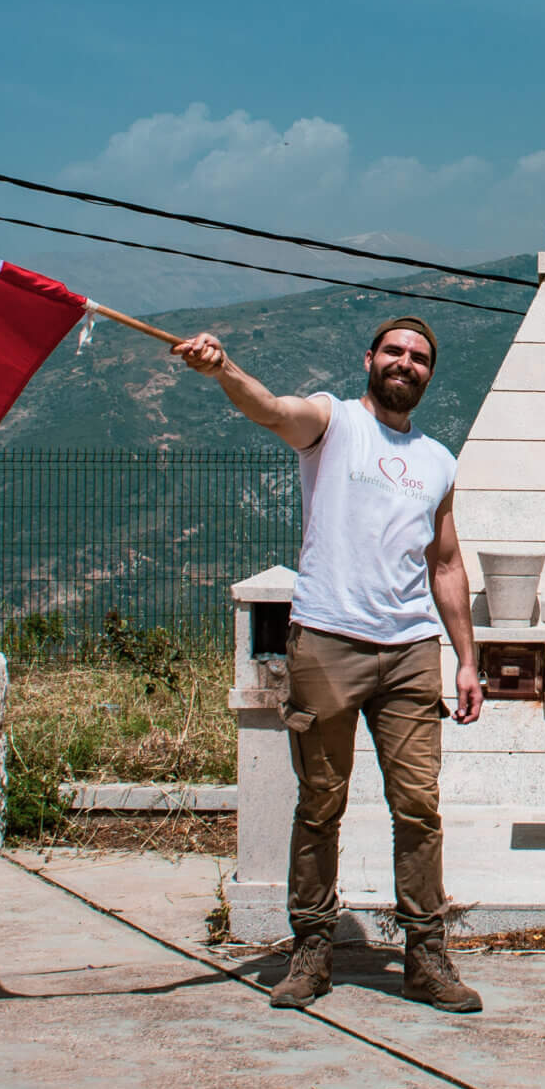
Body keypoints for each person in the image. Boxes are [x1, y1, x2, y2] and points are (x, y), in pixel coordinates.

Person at [172, 315, 486, 1013]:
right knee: (320, 804)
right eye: (396, 351)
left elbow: (446, 562)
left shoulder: (439, 460)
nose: (407, 363)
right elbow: (272, 408)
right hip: (327, 642)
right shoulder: (332, 421)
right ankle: (311, 948)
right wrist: (224, 369)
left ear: (430, 374)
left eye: (421, 357)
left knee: (419, 806)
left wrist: (468, 659)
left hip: (410, 651)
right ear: (369, 358)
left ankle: (426, 956)